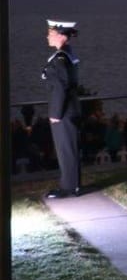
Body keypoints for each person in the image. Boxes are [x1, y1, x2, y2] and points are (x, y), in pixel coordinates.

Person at [42, 19, 83, 198]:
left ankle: (68, 187)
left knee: (65, 149)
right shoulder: (66, 55)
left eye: (50, 34)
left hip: (64, 111)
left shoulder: (60, 58)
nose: (47, 36)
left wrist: (55, 113)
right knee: (69, 148)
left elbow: (61, 86)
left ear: (60, 35)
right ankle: (73, 186)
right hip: (70, 108)